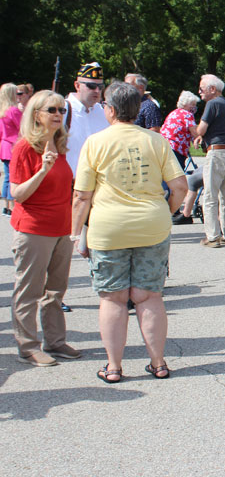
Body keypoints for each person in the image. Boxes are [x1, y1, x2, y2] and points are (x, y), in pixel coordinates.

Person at [71, 82, 187, 383]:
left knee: (113, 298)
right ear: (137, 110)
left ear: (109, 109)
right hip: (152, 226)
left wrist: (75, 233)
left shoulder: (96, 142)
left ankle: (113, 367)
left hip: (109, 228)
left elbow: (82, 195)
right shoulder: (157, 141)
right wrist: (167, 211)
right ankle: (158, 363)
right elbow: (179, 186)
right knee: (149, 296)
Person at [9, 90, 80, 367]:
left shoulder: (60, 146)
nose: (58, 115)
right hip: (34, 230)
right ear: (36, 114)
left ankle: (56, 341)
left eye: (62, 111)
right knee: (29, 291)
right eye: (52, 110)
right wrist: (41, 171)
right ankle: (28, 346)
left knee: (56, 291)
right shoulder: (25, 148)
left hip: (61, 229)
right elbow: (18, 194)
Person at [194, 74, 225, 248]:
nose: (200, 92)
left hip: (217, 152)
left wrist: (196, 133)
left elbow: (202, 129)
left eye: (202, 88)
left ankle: (213, 237)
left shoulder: (212, 104)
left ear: (213, 89)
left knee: (210, 196)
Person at [65, 62, 109, 175]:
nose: (97, 91)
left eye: (100, 87)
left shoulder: (104, 112)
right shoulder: (62, 110)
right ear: (77, 86)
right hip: (68, 183)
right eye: (91, 86)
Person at [160, 91, 200, 170]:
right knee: (176, 173)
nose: (194, 107)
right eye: (192, 104)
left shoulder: (173, 113)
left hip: (163, 145)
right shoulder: (187, 114)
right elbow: (194, 132)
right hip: (176, 148)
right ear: (185, 104)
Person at [1, 83, 23, 216]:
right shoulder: (13, 110)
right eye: (17, 93)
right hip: (12, 145)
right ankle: (12, 206)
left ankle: (6, 205)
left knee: (7, 177)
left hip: (4, 145)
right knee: (13, 177)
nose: (18, 96)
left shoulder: (2, 110)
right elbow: (22, 127)